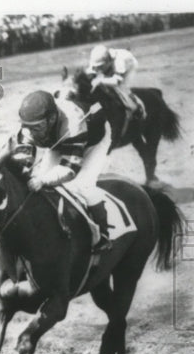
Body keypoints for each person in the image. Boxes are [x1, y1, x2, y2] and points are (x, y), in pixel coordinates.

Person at [9, 89, 112, 252]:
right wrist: (24, 172)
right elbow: (23, 157)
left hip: (94, 142)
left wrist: (42, 180)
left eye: (37, 127)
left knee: (82, 186)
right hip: (59, 141)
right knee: (38, 183)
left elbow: (70, 170)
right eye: (27, 126)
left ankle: (103, 235)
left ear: (51, 119)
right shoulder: (31, 126)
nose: (30, 132)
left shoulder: (72, 124)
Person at [85, 44, 145, 125]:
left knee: (121, 88)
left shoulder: (120, 62)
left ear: (108, 61)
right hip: (112, 66)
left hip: (130, 66)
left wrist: (100, 81)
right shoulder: (98, 59)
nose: (98, 69)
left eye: (100, 67)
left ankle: (137, 108)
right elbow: (90, 72)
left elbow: (117, 81)